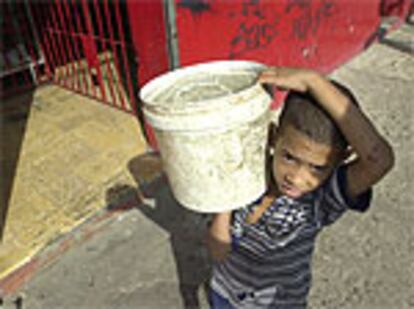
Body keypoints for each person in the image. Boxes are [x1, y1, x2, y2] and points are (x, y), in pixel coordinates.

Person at [206, 67, 394, 308]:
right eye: (289, 158)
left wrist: (313, 82)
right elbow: (218, 250)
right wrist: (226, 206)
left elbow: (380, 159)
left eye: (317, 168)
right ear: (274, 137)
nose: (296, 178)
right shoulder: (251, 172)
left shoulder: (318, 202)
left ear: (337, 162)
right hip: (224, 293)